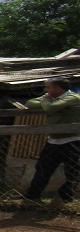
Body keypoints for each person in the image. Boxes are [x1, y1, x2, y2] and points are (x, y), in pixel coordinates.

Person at [22, 78, 80, 206]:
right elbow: (30, 103)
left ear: (58, 89)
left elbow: (51, 108)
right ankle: (32, 196)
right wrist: (48, 101)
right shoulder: (50, 97)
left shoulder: (73, 98)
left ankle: (65, 198)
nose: (45, 90)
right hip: (53, 140)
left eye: (48, 88)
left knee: (72, 171)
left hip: (72, 140)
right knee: (43, 168)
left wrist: (46, 100)